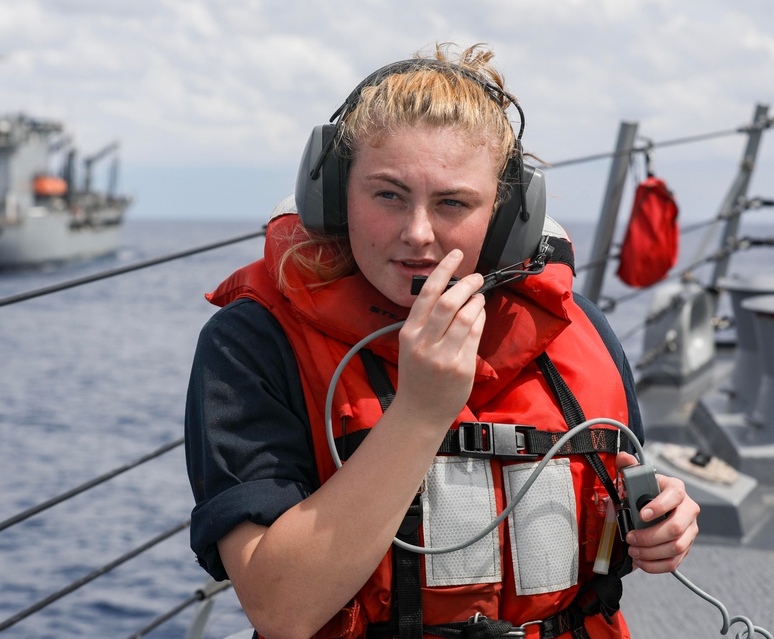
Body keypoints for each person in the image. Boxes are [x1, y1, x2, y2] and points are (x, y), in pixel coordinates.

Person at [185, 43, 700, 639]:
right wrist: (421, 413)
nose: (417, 235)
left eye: (453, 202)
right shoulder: (253, 341)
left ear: (509, 219)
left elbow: (612, 511)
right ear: (332, 197)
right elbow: (281, 610)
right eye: (387, 195)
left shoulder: (579, 331)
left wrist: (660, 523)